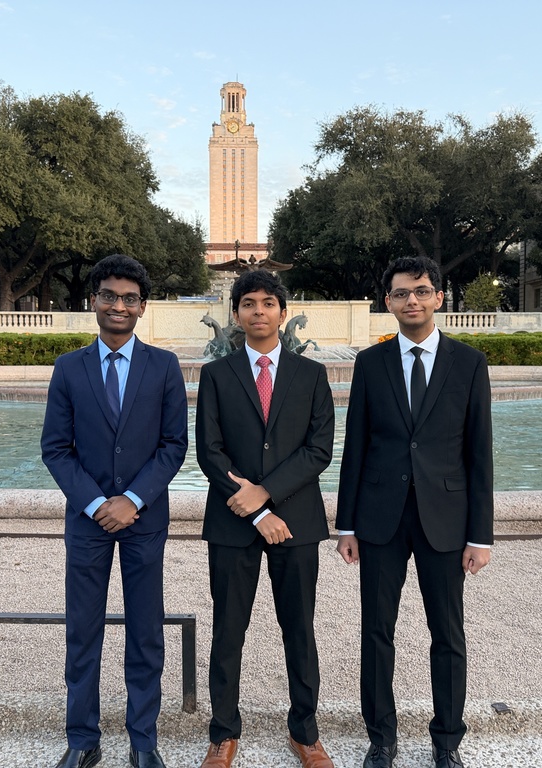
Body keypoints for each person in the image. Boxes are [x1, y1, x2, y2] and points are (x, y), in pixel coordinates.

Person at [336, 256, 494, 768]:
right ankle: (381, 738)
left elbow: (479, 453)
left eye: (421, 291)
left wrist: (481, 535)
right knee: (376, 632)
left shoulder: (469, 363)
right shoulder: (370, 363)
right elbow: (355, 446)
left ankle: (447, 741)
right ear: (389, 302)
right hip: (380, 520)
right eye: (402, 293)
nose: (412, 301)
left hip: (445, 521)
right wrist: (347, 525)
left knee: (447, 634)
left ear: (439, 297)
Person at [41, 254, 188, 768]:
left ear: (142, 307)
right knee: (84, 629)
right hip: (88, 523)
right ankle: (83, 738)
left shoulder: (164, 366)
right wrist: (100, 503)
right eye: (109, 296)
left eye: (129, 298)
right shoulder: (68, 368)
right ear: (94, 302)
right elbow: (55, 449)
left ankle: (143, 740)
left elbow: (174, 445)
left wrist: (133, 500)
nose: (118, 305)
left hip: (145, 521)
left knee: (145, 631)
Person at [195, 269, 336, 768]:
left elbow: (319, 450)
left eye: (268, 303)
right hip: (233, 523)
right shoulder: (215, 375)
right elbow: (208, 453)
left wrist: (267, 497)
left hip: (296, 520)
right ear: (236, 313)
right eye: (248, 303)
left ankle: (306, 733)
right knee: (228, 631)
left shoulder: (312, 375)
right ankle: (223, 733)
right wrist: (254, 510)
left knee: (299, 629)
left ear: (282, 310)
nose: (259, 311)